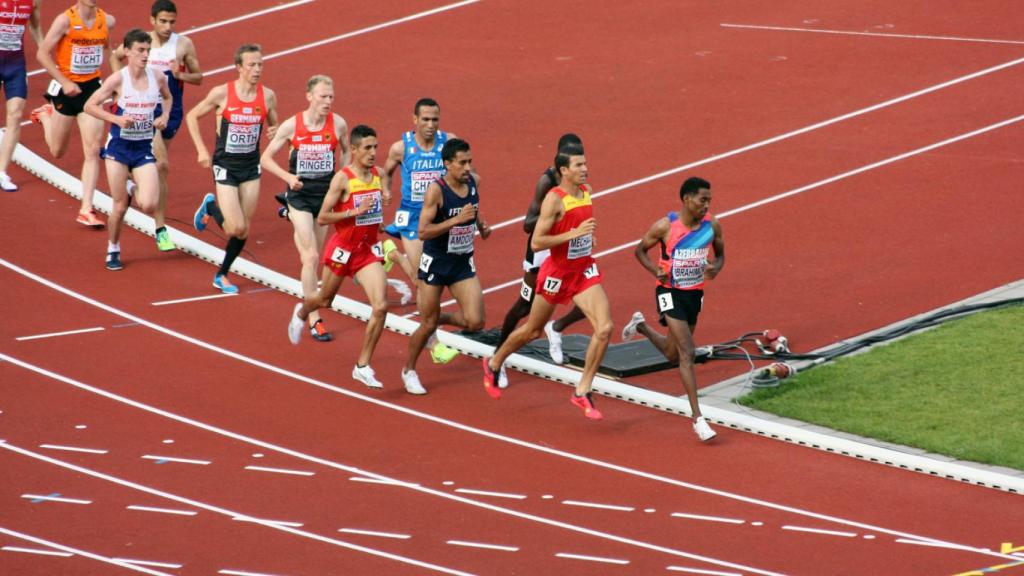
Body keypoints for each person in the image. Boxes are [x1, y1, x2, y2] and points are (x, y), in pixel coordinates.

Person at [483, 147, 611, 419]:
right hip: (556, 272)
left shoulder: (586, 191)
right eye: (579, 165)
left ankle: (582, 390)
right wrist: (573, 234)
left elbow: (579, 226)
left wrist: (586, 239)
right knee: (532, 330)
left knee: (605, 328)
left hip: (582, 270)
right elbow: (537, 241)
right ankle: (494, 362)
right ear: (564, 170)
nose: (585, 169)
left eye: (586, 163)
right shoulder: (554, 199)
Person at [622, 176, 724, 442]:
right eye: (703, 200)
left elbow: (721, 254)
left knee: (671, 354)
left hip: (694, 294)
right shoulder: (665, 227)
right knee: (687, 353)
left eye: (709, 201)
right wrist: (654, 270)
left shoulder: (711, 225)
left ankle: (641, 325)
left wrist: (716, 266)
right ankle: (698, 418)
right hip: (668, 292)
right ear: (687, 199)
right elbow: (639, 251)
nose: (707, 205)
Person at [287, 125, 390, 389]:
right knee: (325, 300)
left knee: (380, 307)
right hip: (342, 249)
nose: (373, 153)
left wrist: (381, 210)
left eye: (375, 147)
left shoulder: (378, 174)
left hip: (366, 251)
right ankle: (302, 312)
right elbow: (322, 217)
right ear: (353, 150)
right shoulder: (342, 179)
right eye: (367, 148)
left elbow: (375, 212)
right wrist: (353, 212)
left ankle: (363, 366)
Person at [495, 133, 587, 386]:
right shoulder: (546, 181)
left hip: (570, 247)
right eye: (574, 162)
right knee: (525, 305)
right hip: (542, 251)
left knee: (586, 300)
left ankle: (556, 328)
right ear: (561, 163)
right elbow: (528, 225)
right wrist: (558, 215)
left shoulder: (579, 182)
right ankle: (498, 357)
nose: (581, 167)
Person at [110, 0, 203, 251]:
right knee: (160, 163)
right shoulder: (141, 43)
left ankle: (131, 181)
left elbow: (199, 77)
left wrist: (180, 74)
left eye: (172, 21)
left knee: (158, 169)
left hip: (170, 110)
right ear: (152, 20)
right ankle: (161, 230)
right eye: (163, 21)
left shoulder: (183, 44)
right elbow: (116, 56)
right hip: (145, 112)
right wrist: (121, 91)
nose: (167, 26)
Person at [262, 74, 349, 342]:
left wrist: (342, 181)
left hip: (324, 198)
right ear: (309, 96)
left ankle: (287, 213)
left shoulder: (339, 124)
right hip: (299, 195)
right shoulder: (292, 126)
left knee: (315, 256)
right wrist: (288, 178)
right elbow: (265, 158)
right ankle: (314, 318)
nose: (328, 101)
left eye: (331, 96)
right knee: (310, 257)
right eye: (323, 96)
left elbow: (346, 152)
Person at [186, 43, 278, 294]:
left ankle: (221, 274)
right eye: (252, 65)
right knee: (234, 227)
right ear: (239, 67)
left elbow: (274, 124)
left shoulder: (267, 96)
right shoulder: (222, 93)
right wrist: (202, 150)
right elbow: (192, 116)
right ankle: (211, 207)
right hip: (225, 165)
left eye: (260, 64)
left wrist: (274, 130)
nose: (257, 69)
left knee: (244, 229)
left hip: (250, 166)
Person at [401, 138, 490, 395]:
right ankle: (409, 370)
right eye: (462, 163)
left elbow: (473, 207)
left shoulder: (473, 181)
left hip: (462, 261)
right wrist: (455, 222)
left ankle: (437, 318)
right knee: (427, 324)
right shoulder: (436, 191)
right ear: (447, 164)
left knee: (475, 322)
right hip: (436, 264)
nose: (467, 167)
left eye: (469, 161)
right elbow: (423, 231)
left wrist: (481, 225)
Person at [83, 28, 170, 270]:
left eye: (148, 51)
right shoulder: (118, 80)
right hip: (118, 149)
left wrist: (164, 114)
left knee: (150, 204)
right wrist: (116, 120)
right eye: (140, 51)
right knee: (120, 207)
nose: (145, 55)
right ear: (128, 52)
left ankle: (131, 185)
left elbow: (168, 97)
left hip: (142, 147)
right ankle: (113, 248)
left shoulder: (158, 77)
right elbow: (90, 106)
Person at [384, 97, 458, 363]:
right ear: (414, 119)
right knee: (422, 281)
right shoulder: (400, 147)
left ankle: (392, 255)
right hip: (413, 220)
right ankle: (435, 345)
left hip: (439, 219)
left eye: (434, 120)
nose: (430, 125)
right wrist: (386, 189)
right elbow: (387, 171)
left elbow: (463, 170)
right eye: (425, 119)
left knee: (437, 280)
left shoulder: (448, 143)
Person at [32, 0, 115, 226]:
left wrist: (116, 84)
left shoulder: (106, 21)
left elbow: (109, 52)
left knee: (92, 149)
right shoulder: (65, 20)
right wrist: (63, 81)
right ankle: (45, 115)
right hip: (66, 90)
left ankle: (86, 208)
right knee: (57, 150)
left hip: (92, 90)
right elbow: (42, 54)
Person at [0, 0, 41, 191]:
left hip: (15, 65)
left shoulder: (33, 1)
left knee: (15, 115)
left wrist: (43, 48)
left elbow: (35, 25)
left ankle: (2, 171)